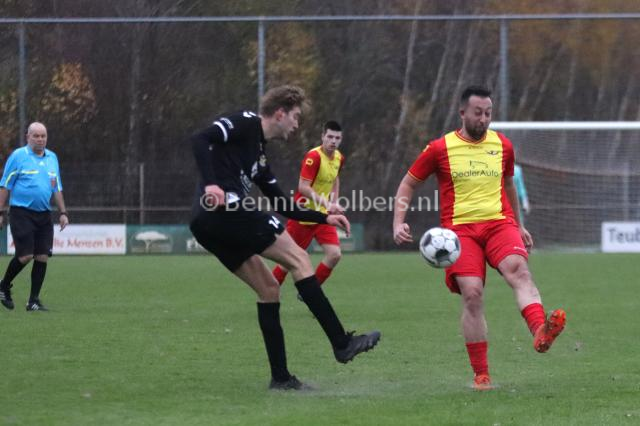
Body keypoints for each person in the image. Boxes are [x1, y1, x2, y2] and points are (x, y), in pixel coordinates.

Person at [188, 85, 380, 391]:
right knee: (299, 259)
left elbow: (283, 204)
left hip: (208, 224)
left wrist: (324, 217)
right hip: (224, 210)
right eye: (295, 117)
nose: (297, 124)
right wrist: (211, 185)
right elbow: (200, 138)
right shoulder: (246, 122)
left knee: (268, 289)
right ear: (280, 113)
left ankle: (281, 379)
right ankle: (342, 343)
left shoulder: (260, 157)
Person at [392, 86, 565, 391]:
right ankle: (481, 375)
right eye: (478, 113)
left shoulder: (503, 145)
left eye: (488, 113)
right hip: (460, 232)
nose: (484, 119)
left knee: (519, 271)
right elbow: (408, 183)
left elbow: (508, 185)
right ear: (462, 113)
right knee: (472, 294)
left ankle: (541, 331)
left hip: (499, 223)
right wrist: (398, 222)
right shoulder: (439, 149)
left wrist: (519, 225)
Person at [0, 122, 69, 312]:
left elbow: (56, 187)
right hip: (21, 212)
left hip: (44, 214)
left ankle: (33, 301)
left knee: (42, 256)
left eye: (43, 136)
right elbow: (5, 185)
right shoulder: (18, 156)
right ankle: (3, 286)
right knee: (26, 255)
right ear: (27, 137)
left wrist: (63, 212)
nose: (40, 139)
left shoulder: (52, 158)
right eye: (36, 136)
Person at [272, 121, 345, 287]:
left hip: (323, 216)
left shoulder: (339, 157)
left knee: (334, 254)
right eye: (330, 137)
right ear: (323, 136)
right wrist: (327, 203)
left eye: (337, 138)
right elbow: (303, 188)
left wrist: (334, 203)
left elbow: (335, 179)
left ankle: (311, 292)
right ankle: (268, 292)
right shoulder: (314, 157)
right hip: (303, 215)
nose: (333, 141)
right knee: (287, 262)